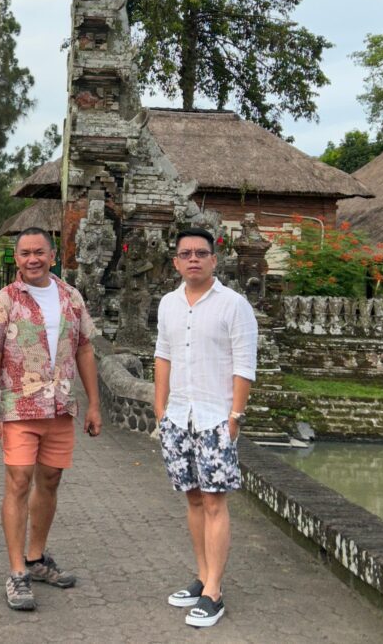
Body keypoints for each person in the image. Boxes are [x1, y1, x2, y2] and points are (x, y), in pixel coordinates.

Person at [0, 227, 102, 612]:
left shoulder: (71, 297)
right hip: (19, 407)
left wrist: (94, 404)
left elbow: (85, 350)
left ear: (52, 255)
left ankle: (36, 557)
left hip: (60, 407)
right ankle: (17, 572)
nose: (33, 259)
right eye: (26, 253)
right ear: (17, 258)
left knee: (50, 479)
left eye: (39, 252)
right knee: (18, 481)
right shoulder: (4, 300)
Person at [154, 227, 258, 628]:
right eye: (186, 254)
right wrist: (160, 409)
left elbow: (244, 365)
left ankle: (214, 591)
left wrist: (235, 417)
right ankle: (202, 576)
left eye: (201, 253)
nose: (193, 259)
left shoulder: (234, 305)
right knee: (194, 499)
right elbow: (163, 355)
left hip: (216, 419)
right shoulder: (168, 304)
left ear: (214, 260)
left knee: (215, 502)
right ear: (176, 262)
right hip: (179, 416)